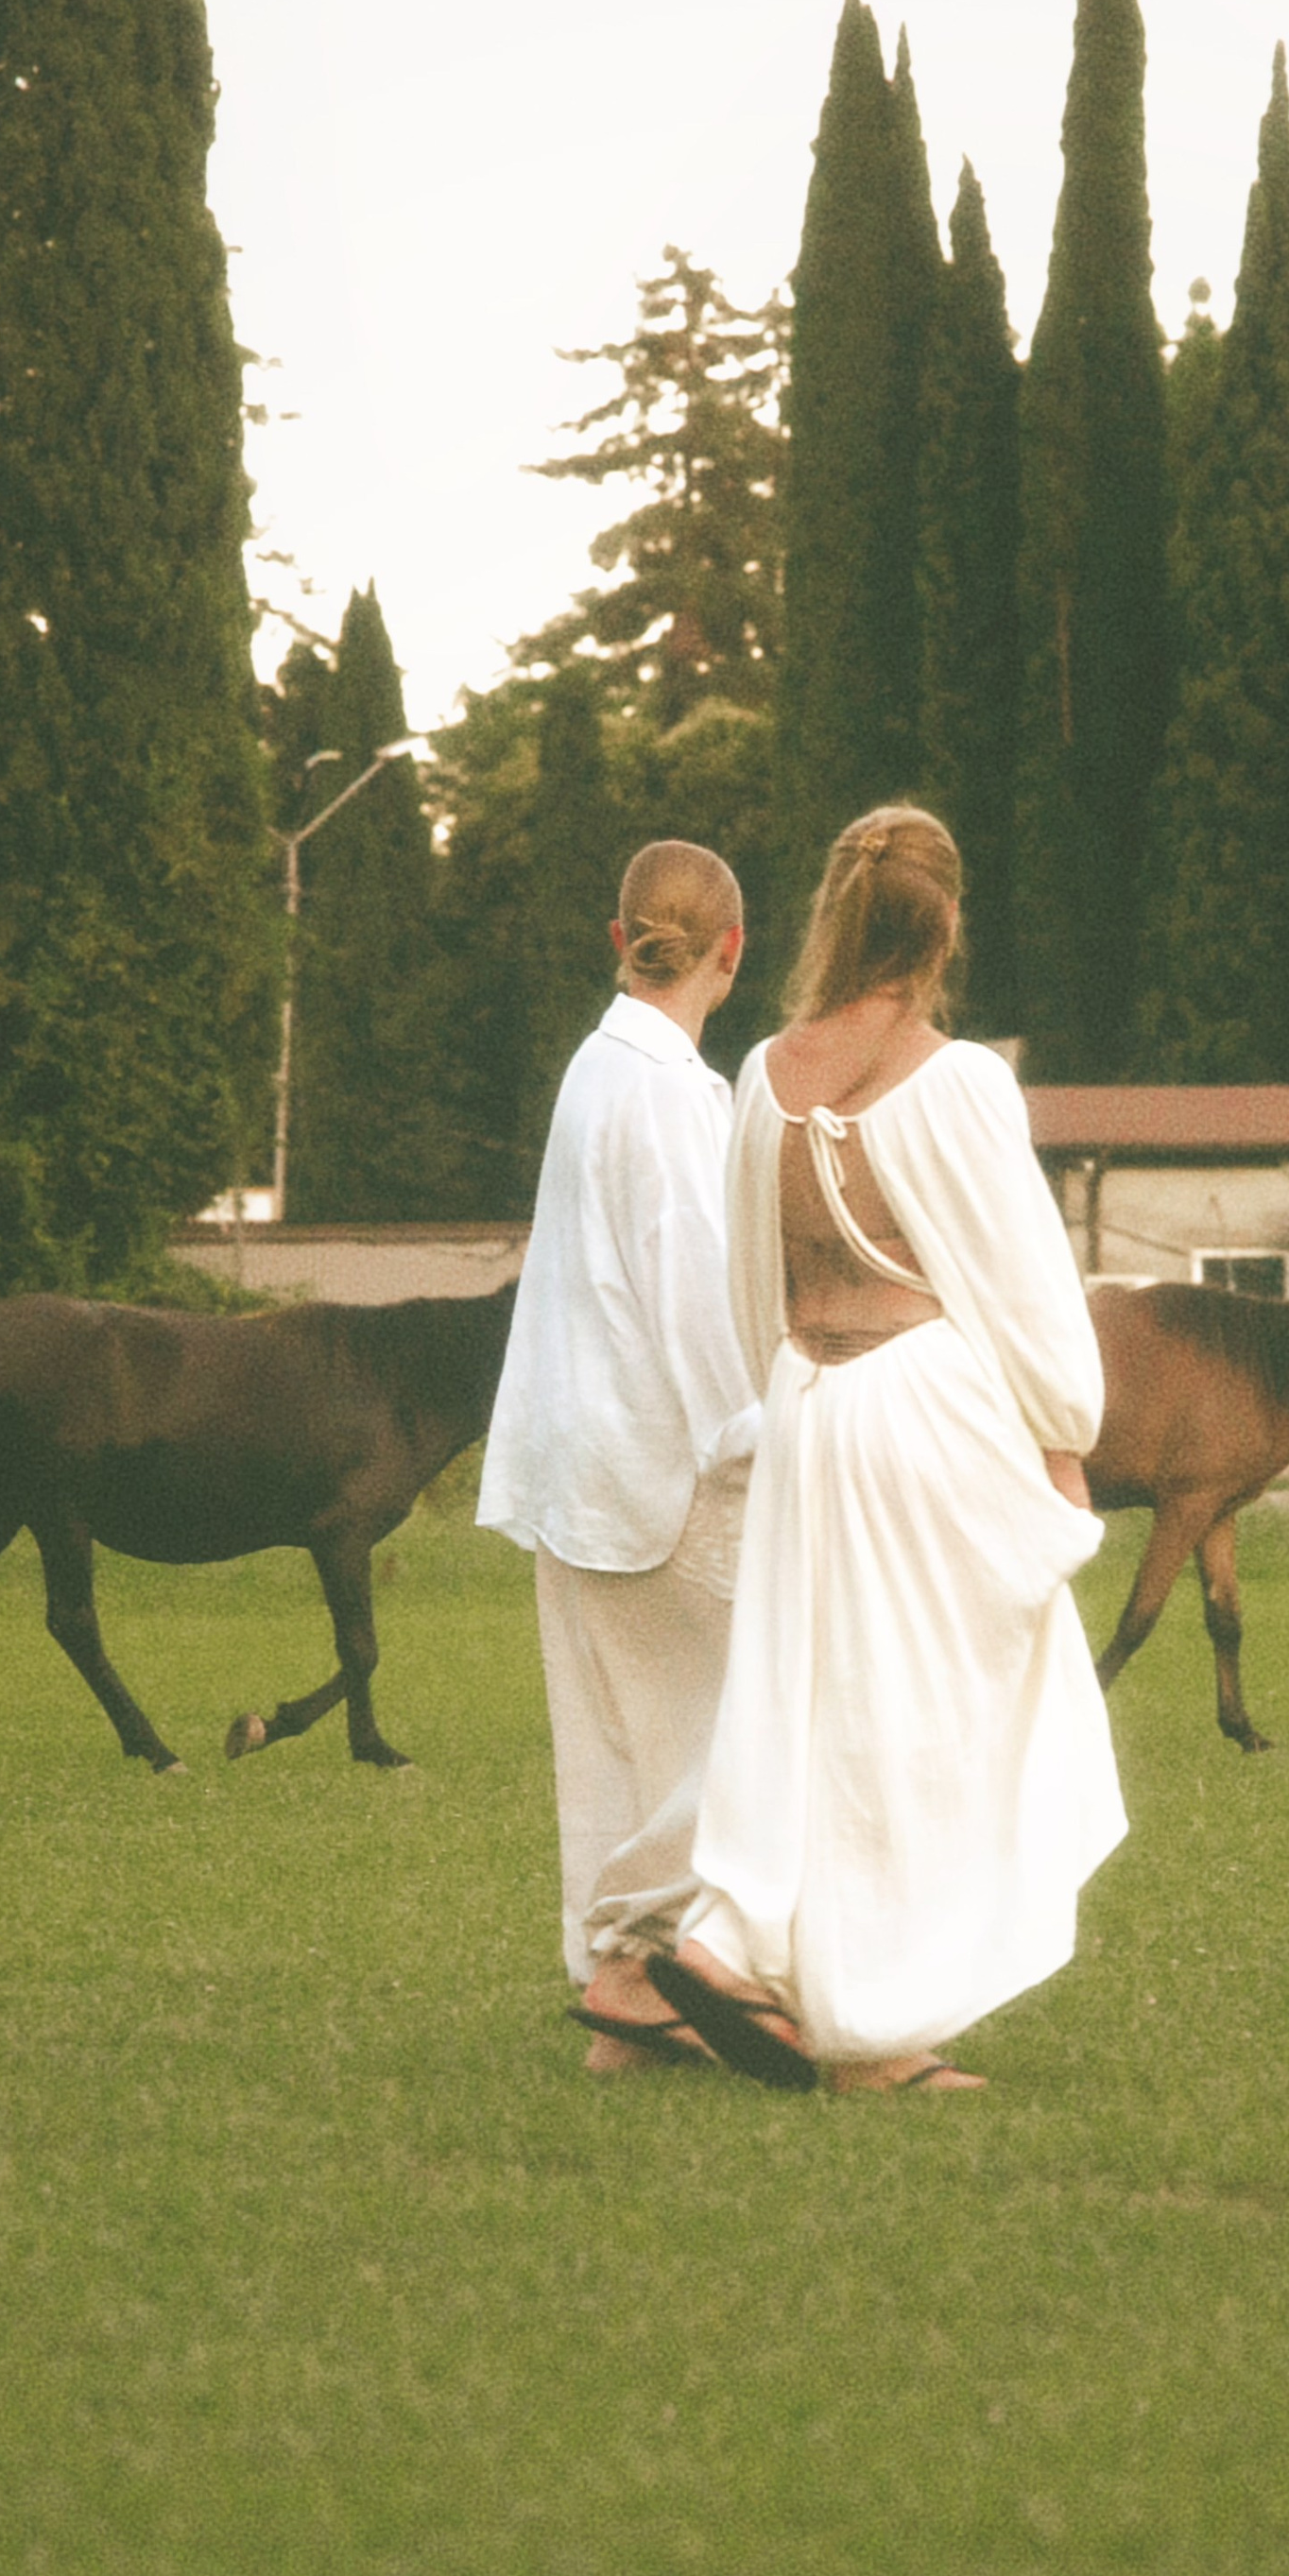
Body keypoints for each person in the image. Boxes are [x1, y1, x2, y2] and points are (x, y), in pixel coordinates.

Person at [650, 806, 1126, 2094]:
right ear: (946, 926)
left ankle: (730, 1940)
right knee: (921, 1716)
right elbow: (1024, 1291)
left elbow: (753, 1286)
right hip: (921, 1413)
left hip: (809, 1406)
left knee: (799, 1697)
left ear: (834, 919)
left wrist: (795, 1394)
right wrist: (1059, 1435)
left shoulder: (763, 1075)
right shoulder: (958, 1084)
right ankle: (871, 2027)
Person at [478, 840, 760, 2073]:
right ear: (733, 954)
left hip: (574, 1463)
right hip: (657, 1464)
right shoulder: (668, 1094)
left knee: (617, 1747)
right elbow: (696, 1292)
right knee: (769, 1706)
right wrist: (752, 1438)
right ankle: (646, 1969)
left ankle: (625, 2004)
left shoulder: (598, 1073)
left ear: (619, 938)